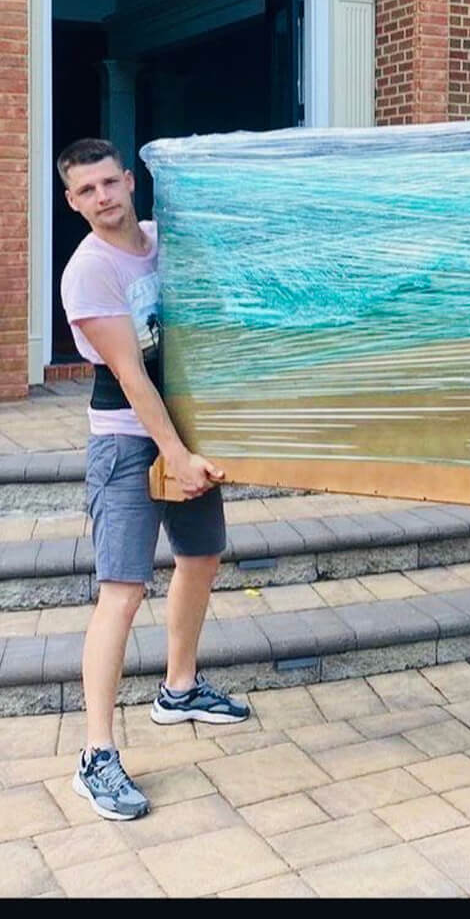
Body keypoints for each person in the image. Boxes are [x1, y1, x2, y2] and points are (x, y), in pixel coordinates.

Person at [58, 138, 250, 821]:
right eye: (86, 190)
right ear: (72, 201)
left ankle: (179, 688)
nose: (102, 197)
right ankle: (96, 754)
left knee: (201, 557)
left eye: (109, 183)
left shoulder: (165, 241)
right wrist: (176, 454)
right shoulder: (89, 271)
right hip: (128, 441)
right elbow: (132, 375)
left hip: (184, 431)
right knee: (122, 590)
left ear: (130, 182)